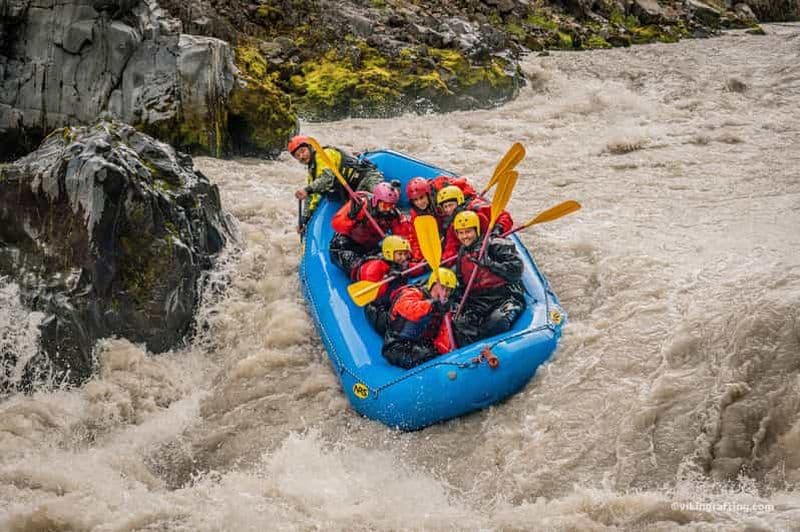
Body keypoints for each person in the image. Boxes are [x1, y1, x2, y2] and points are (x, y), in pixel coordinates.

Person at [450, 210, 525, 346]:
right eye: (461, 233)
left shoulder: (495, 244)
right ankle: (475, 353)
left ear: (477, 230)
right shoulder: (463, 253)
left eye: (468, 232)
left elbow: (516, 271)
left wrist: (491, 264)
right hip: (478, 300)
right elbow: (461, 282)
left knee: (497, 321)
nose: (465, 237)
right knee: (460, 324)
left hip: (504, 295)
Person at [288, 135, 384, 230]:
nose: (301, 156)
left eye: (303, 151)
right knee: (358, 219)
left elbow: (327, 178)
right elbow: (313, 197)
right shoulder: (312, 172)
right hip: (355, 191)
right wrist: (305, 219)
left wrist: (307, 190)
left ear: (310, 147)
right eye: (297, 156)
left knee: (382, 200)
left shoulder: (324, 154)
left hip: (367, 177)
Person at [330, 182, 419, 274]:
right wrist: (351, 218)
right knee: (357, 265)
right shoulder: (360, 205)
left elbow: (405, 236)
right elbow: (336, 225)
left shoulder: (393, 215)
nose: (388, 209)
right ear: (377, 201)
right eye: (385, 205)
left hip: (369, 248)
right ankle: (363, 272)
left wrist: (415, 257)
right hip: (346, 246)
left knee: (391, 259)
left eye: (391, 205)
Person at [382, 267, 458, 369]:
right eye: (442, 287)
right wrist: (432, 305)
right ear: (432, 284)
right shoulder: (413, 293)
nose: (444, 293)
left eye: (448, 290)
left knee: (434, 356)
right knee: (427, 357)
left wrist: (447, 353)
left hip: (420, 344)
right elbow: (410, 309)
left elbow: (443, 334)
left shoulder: (443, 307)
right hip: (396, 346)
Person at [351, 235, 413, 334]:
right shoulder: (373, 267)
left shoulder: (400, 264)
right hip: (376, 308)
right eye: (400, 254)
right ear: (389, 253)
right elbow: (375, 296)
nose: (403, 257)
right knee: (395, 328)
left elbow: (412, 268)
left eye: (405, 254)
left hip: (392, 300)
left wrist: (426, 266)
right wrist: (388, 279)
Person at [435, 185, 513, 259]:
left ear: (459, 201)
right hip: (475, 249)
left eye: (451, 205)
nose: (448, 210)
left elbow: (504, 216)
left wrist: (498, 229)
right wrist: (440, 261)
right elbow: (451, 248)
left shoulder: (478, 207)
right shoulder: (453, 224)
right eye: (445, 207)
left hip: (492, 241)